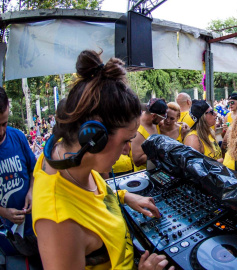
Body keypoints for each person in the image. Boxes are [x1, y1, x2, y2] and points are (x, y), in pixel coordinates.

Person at [32, 50, 171, 269]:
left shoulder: (58, 157)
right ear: (95, 137)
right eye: (126, 140)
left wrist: (123, 197)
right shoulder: (60, 225)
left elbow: (87, 198)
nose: (127, 150)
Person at [0, 87, 39, 257]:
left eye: (4, 123)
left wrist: (31, 190)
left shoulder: (17, 136)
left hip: (37, 222)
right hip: (11, 234)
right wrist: (3, 212)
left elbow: (34, 169)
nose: (1, 131)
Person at [131, 98, 167, 171]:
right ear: (153, 116)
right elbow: (137, 160)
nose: (162, 120)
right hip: (144, 173)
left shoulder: (154, 122)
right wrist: (159, 152)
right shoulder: (138, 131)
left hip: (157, 169)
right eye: (161, 118)